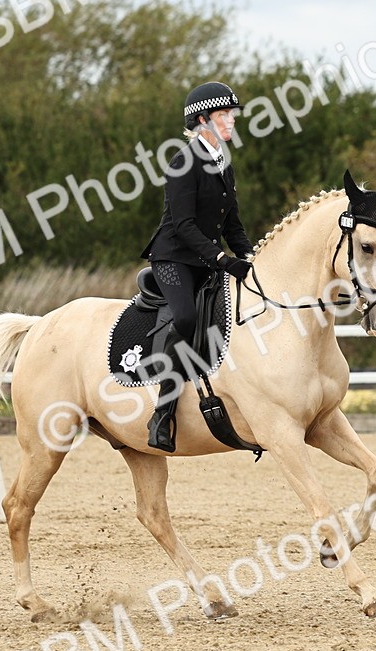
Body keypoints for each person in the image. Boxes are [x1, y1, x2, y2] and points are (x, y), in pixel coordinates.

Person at [139, 81, 255, 452]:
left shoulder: (224, 165)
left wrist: (251, 259)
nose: (231, 122)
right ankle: (163, 412)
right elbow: (185, 226)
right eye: (224, 115)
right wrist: (223, 260)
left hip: (206, 259)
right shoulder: (182, 162)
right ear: (203, 119)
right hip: (173, 258)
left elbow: (232, 225)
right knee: (187, 318)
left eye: (231, 116)